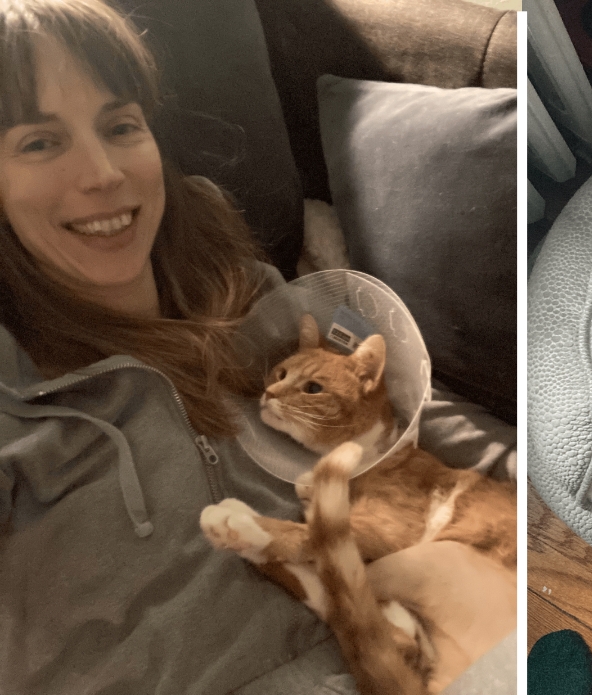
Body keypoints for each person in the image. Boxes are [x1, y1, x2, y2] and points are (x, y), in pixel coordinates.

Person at [0, 1, 356, 692]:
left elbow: (403, 410)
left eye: (120, 125)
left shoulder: (239, 280)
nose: (102, 171)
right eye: (40, 142)